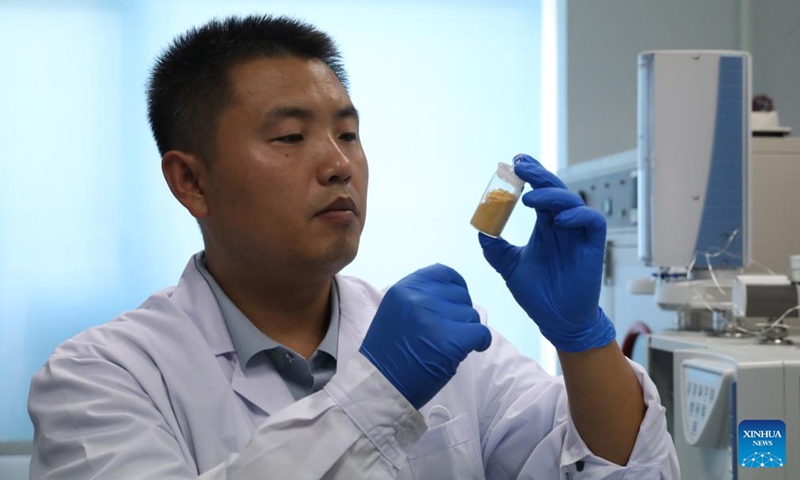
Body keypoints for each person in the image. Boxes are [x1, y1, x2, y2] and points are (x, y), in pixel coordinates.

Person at [28, 14, 679, 479]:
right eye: (290, 138)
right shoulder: (101, 379)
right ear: (191, 181)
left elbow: (618, 471)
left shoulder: (452, 346)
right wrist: (381, 392)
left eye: (348, 133)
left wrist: (583, 340)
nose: (340, 165)